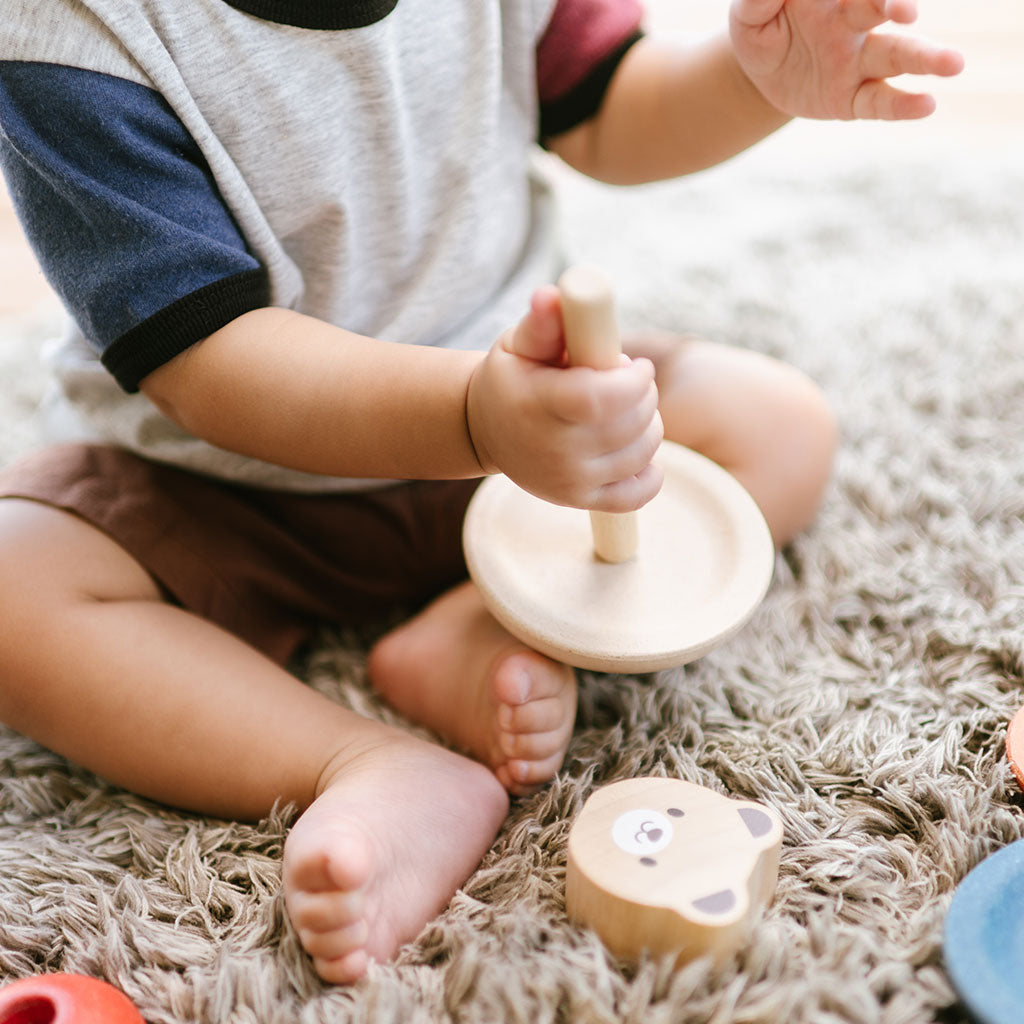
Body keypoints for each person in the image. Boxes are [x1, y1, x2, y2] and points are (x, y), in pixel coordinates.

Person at [0, 0, 961, 985]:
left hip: (528, 443)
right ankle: (359, 762)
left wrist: (747, 80)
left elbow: (603, 108)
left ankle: (476, 619)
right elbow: (206, 361)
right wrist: (469, 417)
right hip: (226, 483)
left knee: (776, 422)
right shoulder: (78, 31)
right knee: (13, 589)